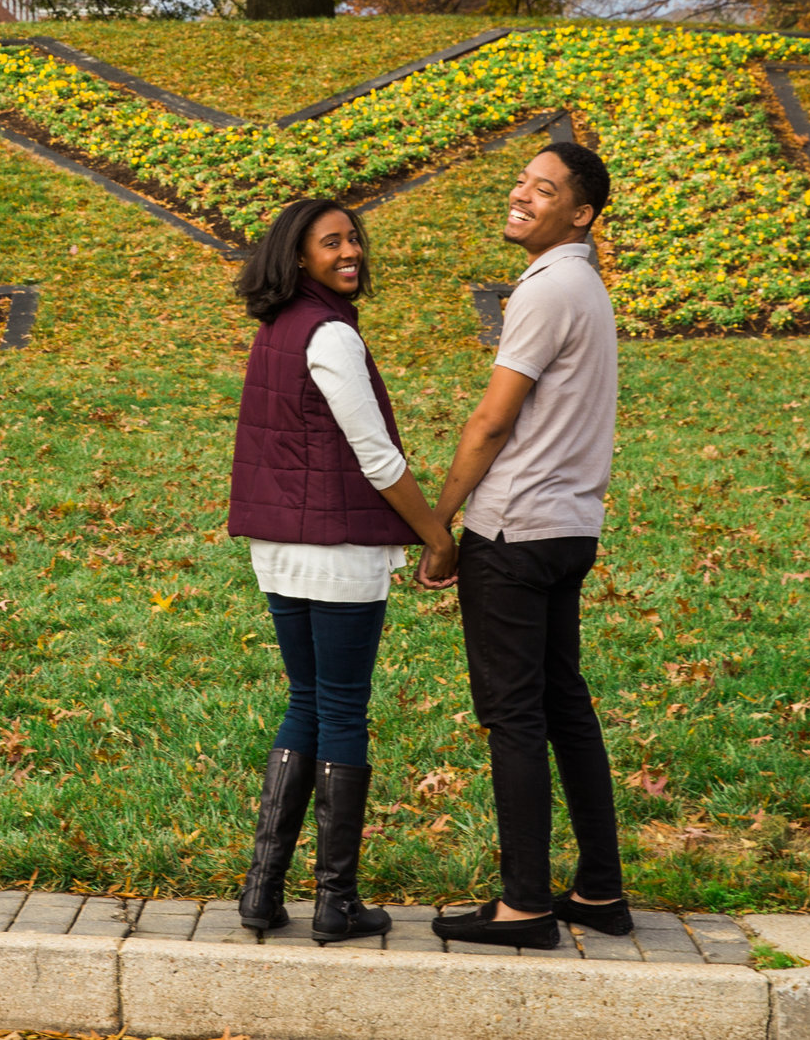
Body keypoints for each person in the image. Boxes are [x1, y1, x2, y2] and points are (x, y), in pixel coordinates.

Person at [226, 198, 457, 944]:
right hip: (339, 551)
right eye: (333, 241)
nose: (351, 249)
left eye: (354, 237)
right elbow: (377, 457)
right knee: (344, 708)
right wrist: (437, 536)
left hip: (280, 548)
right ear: (298, 256)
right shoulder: (330, 334)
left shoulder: (277, 329)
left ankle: (261, 893)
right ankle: (338, 900)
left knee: (307, 701)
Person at [418, 141, 628, 951]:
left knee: (514, 716)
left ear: (581, 213)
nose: (522, 195)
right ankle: (601, 892)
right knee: (564, 705)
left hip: (514, 530)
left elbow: (492, 420)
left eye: (544, 189)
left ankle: (524, 905)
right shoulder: (587, 285)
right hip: (571, 527)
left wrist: (441, 526)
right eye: (521, 182)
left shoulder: (545, 290)